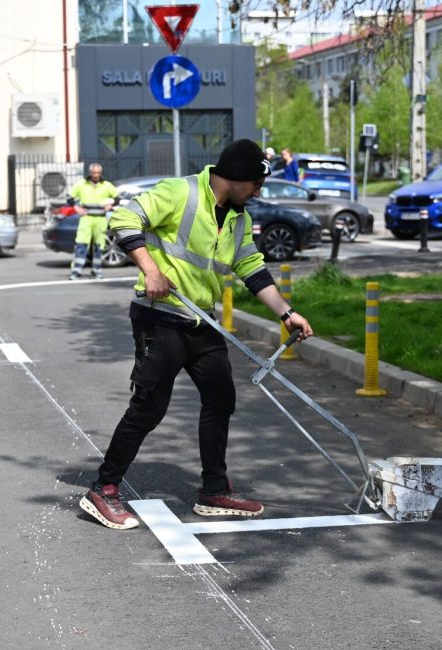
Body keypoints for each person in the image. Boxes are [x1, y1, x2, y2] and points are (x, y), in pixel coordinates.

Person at [79, 139, 314, 530]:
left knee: (221, 398)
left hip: (201, 320)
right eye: (255, 183)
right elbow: (122, 219)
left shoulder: (237, 218)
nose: (258, 191)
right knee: (149, 408)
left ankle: (213, 490)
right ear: (236, 177)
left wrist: (286, 313)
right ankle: (103, 489)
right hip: (159, 316)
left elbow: (251, 267)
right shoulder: (180, 192)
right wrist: (151, 270)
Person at [68, 163, 118, 280]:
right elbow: (69, 198)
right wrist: (77, 208)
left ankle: (96, 271)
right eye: (94, 173)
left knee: (99, 246)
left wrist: (110, 205)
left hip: (100, 219)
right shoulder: (81, 184)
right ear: (90, 173)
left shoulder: (106, 185)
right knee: (81, 244)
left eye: (98, 173)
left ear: (100, 173)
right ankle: (76, 271)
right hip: (86, 218)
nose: (96, 175)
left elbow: (117, 197)